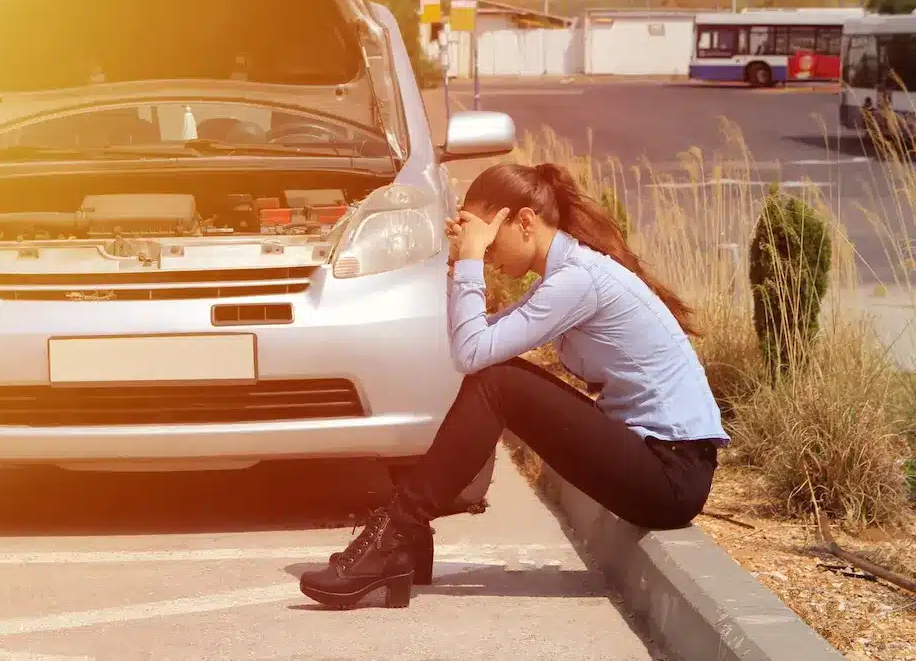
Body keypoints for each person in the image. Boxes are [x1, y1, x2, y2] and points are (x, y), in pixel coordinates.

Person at [298, 161, 730, 610]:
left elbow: (472, 354)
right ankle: (403, 535)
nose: (485, 253)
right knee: (494, 376)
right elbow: (476, 344)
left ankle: (396, 535)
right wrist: (458, 263)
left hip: (670, 475)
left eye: (488, 240)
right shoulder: (568, 275)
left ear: (525, 221)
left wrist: (469, 262)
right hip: (658, 462)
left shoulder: (578, 281)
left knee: (497, 382)